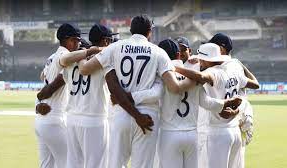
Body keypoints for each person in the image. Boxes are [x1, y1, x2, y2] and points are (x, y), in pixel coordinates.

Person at [77, 14, 196, 168]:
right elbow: (174, 87)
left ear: (130, 30)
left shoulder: (115, 47)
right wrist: (196, 78)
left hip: (120, 114)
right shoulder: (158, 52)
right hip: (148, 117)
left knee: (115, 164)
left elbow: (85, 69)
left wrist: (81, 54)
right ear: (149, 31)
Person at [157, 39, 242, 168]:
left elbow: (152, 98)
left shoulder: (161, 76)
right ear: (178, 55)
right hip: (192, 136)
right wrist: (225, 103)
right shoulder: (193, 76)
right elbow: (206, 103)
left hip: (169, 133)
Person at [175, 42, 259, 168]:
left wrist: (174, 68)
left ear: (206, 59)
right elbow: (255, 84)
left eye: (202, 59)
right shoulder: (234, 71)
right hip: (235, 131)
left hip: (217, 133)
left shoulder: (213, 72)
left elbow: (200, 77)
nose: (200, 63)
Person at [58, 23, 116, 168]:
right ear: (105, 41)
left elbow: (64, 68)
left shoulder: (74, 59)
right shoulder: (104, 58)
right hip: (94, 119)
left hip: (72, 119)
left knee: (73, 164)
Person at [34, 23, 82, 168]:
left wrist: (38, 102)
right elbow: (54, 85)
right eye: (75, 40)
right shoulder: (65, 57)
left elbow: (43, 78)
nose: (78, 44)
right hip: (55, 119)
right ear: (65, 40)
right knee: (71, 163)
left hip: (42, 121)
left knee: (47, 165)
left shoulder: (52, 57)